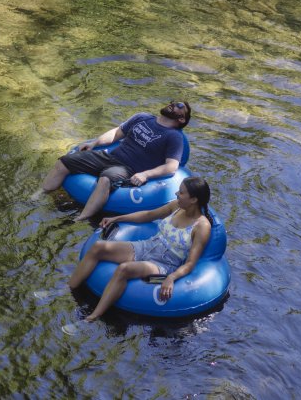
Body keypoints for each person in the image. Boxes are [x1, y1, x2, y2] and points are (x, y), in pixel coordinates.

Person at [67, 177, 213, 321]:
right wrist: (116, 219)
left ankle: (93, 316)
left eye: (181, 192)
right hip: (148, 245)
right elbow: (148, 215)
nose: (176, 194)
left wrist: (171, 277)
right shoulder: (177, 206)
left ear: (193, 199)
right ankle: (69, 289)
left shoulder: (202, 227)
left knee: (124, 269)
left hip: (165, 263)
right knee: (99, 247)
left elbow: (190, 263)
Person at [41, 101, 191, 220]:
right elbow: (116, 133)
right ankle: (40, 194)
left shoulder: (174, 136)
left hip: (128, 168)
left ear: (182, 118)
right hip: (109, 156)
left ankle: (81, 217)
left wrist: (146, 175)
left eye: (179, 106)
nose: (173, 104)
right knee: (64, 161)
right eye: (172, 101)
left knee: (106, 180)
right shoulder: (142, 117)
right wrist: (95, 143)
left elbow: (171, 167)